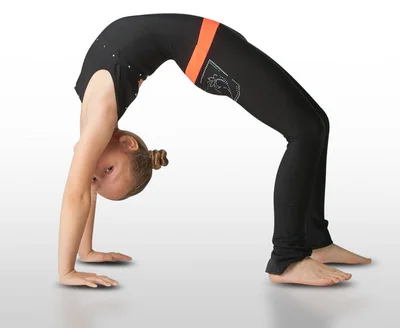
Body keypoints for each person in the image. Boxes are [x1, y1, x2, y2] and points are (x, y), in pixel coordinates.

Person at [58, 13, 371, 288]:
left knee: (315, 125)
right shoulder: (93, 117)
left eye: (107, 170)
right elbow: (85, 185)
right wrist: (84, 252)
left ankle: (311, 241)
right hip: (202, 48)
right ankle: (289, 258)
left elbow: (80, 192)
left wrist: (70, 267)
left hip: (202, 45)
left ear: (129, 143)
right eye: (102, 176)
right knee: (306, 130)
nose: (94, 172)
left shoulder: (97, 118)